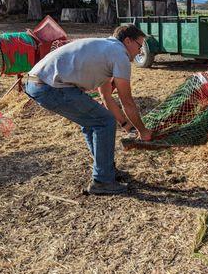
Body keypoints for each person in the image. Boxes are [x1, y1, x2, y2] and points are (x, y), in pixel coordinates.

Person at [25, 24, 152, 195]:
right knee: (104, 121)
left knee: (93, 122)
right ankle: (103, 181)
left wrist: (126, 126)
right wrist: (143, 131)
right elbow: (127, 101)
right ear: (128, 41)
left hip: (37, 83)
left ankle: (105, 170)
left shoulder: (104, 50)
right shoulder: (119, 54)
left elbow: (106, 98)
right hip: (50, 86)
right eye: (139, 45)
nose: (140, 51)